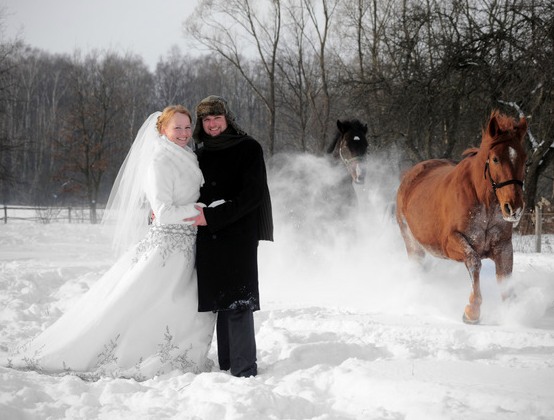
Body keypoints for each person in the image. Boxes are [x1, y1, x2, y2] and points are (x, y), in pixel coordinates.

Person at [6, 106, 216, 381]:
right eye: (177, 127)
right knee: (143, 303)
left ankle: (176, 355)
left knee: (179, 306)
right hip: (168, 248)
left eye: (187, 127)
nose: (184, 133)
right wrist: (202, 212)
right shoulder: (160, 160)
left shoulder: (187, 155)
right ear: (163, 129)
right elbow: (163, 212)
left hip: (187, 247)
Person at [186, 95, 273, 378]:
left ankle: (244, 368)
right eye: (207, 120)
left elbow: (252, 195)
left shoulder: (248, 148)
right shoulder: (198, 154)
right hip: (208, 237)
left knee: (238, 302)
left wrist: (213, 217)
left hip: (237, 235)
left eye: (217, 119)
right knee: (221, 302)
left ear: (228, 119)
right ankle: (227, 365)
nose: (212, 125)